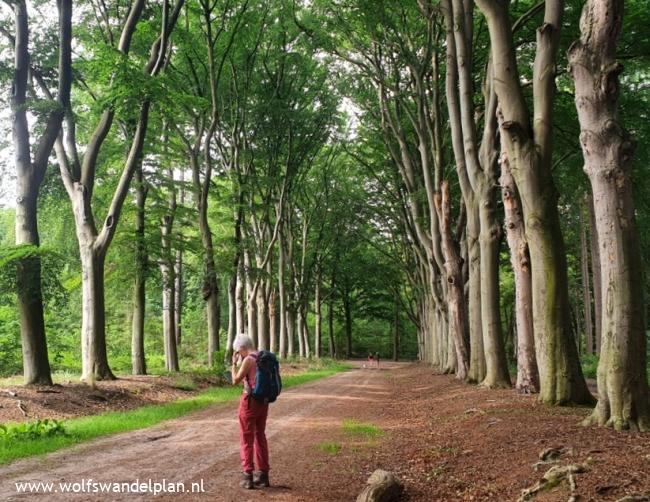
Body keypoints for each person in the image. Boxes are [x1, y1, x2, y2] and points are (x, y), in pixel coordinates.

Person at [231, 334, 270, 489]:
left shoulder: (248, 360)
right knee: (260, 436)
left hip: (250, 402)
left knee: (246, 438)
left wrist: (234, 365)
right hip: (264, 402)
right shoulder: (263, 356)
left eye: (238, 351)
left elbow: (235, 381)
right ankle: (264, 475)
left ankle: (248, 476)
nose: (238, 354)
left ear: (241, 348)